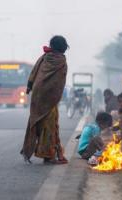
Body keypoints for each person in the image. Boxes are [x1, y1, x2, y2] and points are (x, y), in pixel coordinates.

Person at [21, 35, 69, 164]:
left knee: (38, 122)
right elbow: (59, 82)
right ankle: (48, 155)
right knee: (50, 125)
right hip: (50, 97)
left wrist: (29, 86)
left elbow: (34, 72)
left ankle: (46, 152)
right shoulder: (61, 61)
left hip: (37, 95)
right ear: (63, 47)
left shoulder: (44, 58)